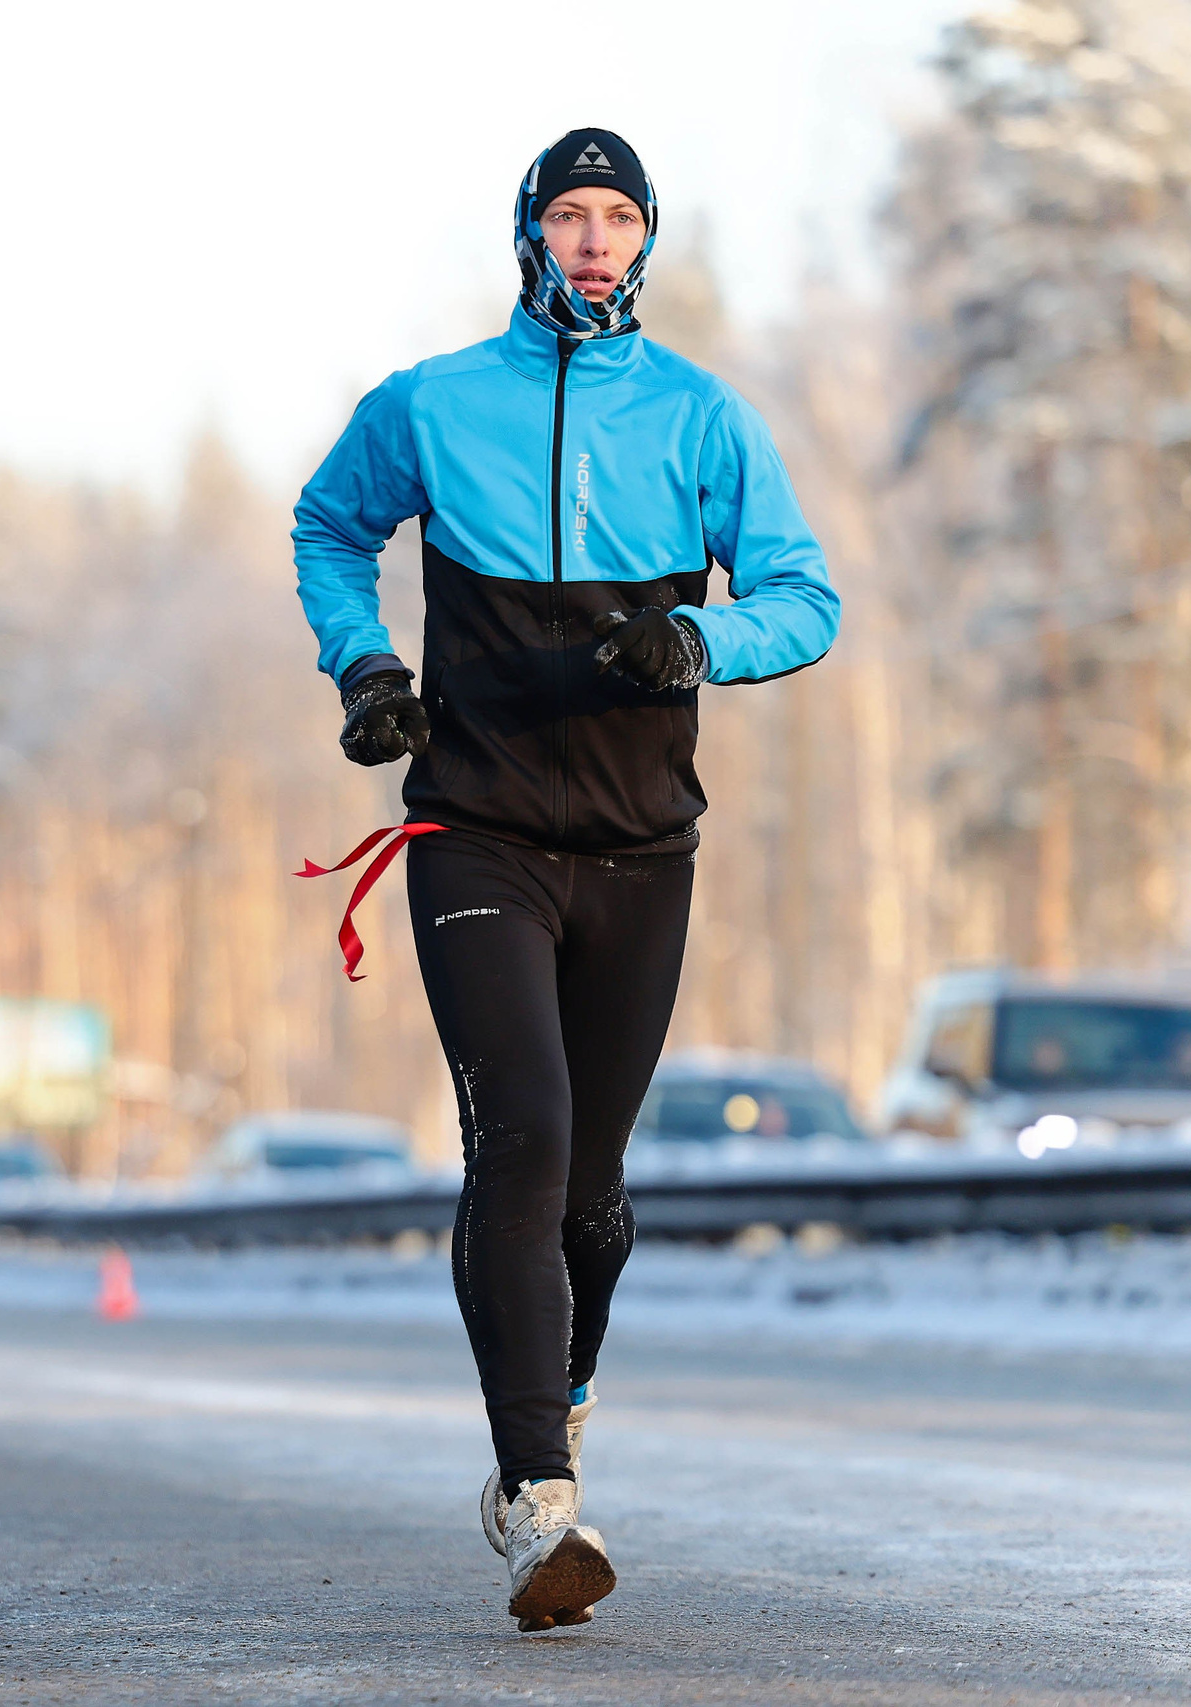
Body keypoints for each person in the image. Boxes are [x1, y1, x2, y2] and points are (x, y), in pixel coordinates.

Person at [291, 129, 839, 1629]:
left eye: (618, 216)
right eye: (568, 215)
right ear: (528, 235)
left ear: (647, 240)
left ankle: (564, 1395)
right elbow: (330, 523)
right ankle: (539, 1498)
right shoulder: (431, 402)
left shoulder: (702, 419)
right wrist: (366, 663)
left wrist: (702, 639)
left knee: (592, 1193)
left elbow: (808, 598)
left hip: (641, 846)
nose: (592, 239)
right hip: (476, 823)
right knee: (520, 1137)